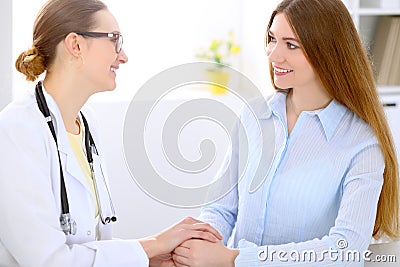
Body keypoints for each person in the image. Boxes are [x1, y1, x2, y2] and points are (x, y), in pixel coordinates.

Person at [172, 0, 400, 266]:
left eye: (291, 45)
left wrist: (236, 259)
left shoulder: (361, 144)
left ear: (326, 51)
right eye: (272, 39)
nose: (273, 54)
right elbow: (220, 208)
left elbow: (346, 249)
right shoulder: (253, 117)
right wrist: (196, 245)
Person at [0, 0, 222, 266]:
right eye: (114, 40)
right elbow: (49, 260)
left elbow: (90, 244)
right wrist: (152, 245)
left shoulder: (86, 123)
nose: (123, 56)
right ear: (76, 45)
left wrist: (149, 259)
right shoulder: (16, 131)